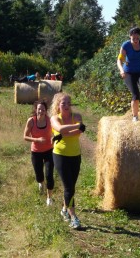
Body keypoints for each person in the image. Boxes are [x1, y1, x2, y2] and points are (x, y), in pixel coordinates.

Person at [50, 93, 86, 229]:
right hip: (60, 155)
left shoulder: (77, 117)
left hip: (75, 155)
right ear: (58, 105)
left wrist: (66, 131)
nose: (66, 106)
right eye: (63, 103)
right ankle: (74, 217)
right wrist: (77, 127)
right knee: (69, 187)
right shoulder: (54, 118)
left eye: (68, 103)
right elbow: (60, 129)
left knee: (71, 187)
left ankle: (64, 209)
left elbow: (77, 132)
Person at [117, 26, 140, 122]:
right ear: (130, 36)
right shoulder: (126, 46)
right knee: (135, 94)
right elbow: (119, 60)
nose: (136, 40)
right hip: (128, 72)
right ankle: (135, 116)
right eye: (133, 38)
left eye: (137, 38)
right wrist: (121, 70)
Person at [23, 100, 55, 206]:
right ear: (36, 109)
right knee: (39, 175)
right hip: (36, 152)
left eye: (43, 109)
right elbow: (25, 137)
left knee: (49, 174)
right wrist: (37, 140)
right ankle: (41, 183)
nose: (41, 111)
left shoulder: (49, 120)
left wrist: (53, 139)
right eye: (39, 109)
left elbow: (55, 132)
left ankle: (49, 198)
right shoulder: (31, 121)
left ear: (46, 111)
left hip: (49, 151)